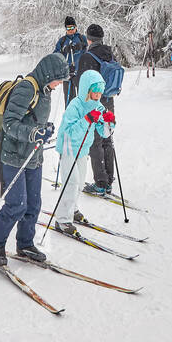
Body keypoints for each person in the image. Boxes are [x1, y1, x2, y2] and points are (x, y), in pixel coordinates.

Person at [0, 52, 69, 265]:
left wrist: (44, 129)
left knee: (33, 203)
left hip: (33, 155)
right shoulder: (27, 88)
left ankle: (25, 244)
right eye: (59, 79)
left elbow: (33, 118)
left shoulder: (45, 89)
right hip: (12, 155)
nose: (59, 84)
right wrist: (33, 133)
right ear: (49, 73)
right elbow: (9, 123)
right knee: (17, 204)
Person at [53, 69, 114, 234]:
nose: (98, 94)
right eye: (95, 90)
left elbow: (104, 133)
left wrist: (109, 122)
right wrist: (87, 119)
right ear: (87, 89)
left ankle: (72, 209)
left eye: (100, 91)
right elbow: (69, 132)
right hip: (68, 146)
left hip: (82, 148)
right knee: (71, 183)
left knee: (79, 183)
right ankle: (63, 220)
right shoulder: (75, 105)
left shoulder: (98, 106)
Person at [76, 23, 118, 197]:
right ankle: (108, 179)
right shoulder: (109, 53)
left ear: (89, 38)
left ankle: (100, 183)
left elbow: (81, 82)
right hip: (109, 101)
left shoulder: (88, 56)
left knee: (95, 141)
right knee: (107, 139)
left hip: (94, 104)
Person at [53, 15, 87, 99]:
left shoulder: (81, 38)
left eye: (72, 27)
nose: (71, 30)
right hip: (67, 73)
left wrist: (81, 46)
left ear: (76, 27)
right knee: (69, 99)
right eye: (68, 28)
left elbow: (90, 49)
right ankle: (70, 112)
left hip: (80, 73)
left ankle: (82, 112)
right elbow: (55, 55)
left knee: (83, 98)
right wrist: (64, 50)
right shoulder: (62, 41)